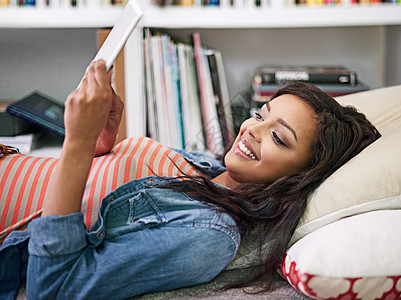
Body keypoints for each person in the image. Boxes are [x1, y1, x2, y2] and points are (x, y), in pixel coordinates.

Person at [0, 60, 380, 299]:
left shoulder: (210, 235)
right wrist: (101, 143)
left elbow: (52, 287)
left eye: (279, 138)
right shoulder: (206, 169)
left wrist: (78, 146)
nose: (251, 131)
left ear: (300, 178)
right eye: (260, 115)